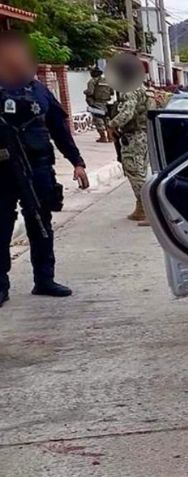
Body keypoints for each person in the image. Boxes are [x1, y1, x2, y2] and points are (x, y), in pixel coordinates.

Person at [0, 31, 90, 308]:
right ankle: (1, 286)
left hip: (39, 167)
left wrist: (77, 162)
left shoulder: (39, 90)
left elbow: (59, 130)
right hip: (3, 171)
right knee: (1, 226)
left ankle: (44, 279)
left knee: (40, 224)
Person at [107, 57, 152, 226]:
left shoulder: (130, 89)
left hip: (134, 136)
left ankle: (148, 210)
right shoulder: (143, 88)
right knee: (140, 171)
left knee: (134, 171)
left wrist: (112, 125)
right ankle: (141, 208)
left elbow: (127, 112)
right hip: (143, 135)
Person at [83, 67, 113, 143]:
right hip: (106, 103)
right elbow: (112, 92)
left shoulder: (92, 81)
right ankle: (110, 137)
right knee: (107, 119)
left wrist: (85, 92)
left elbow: (90, 92)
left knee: (98, 119)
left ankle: (103, 137)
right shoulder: (107, 81)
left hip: (96, 103)